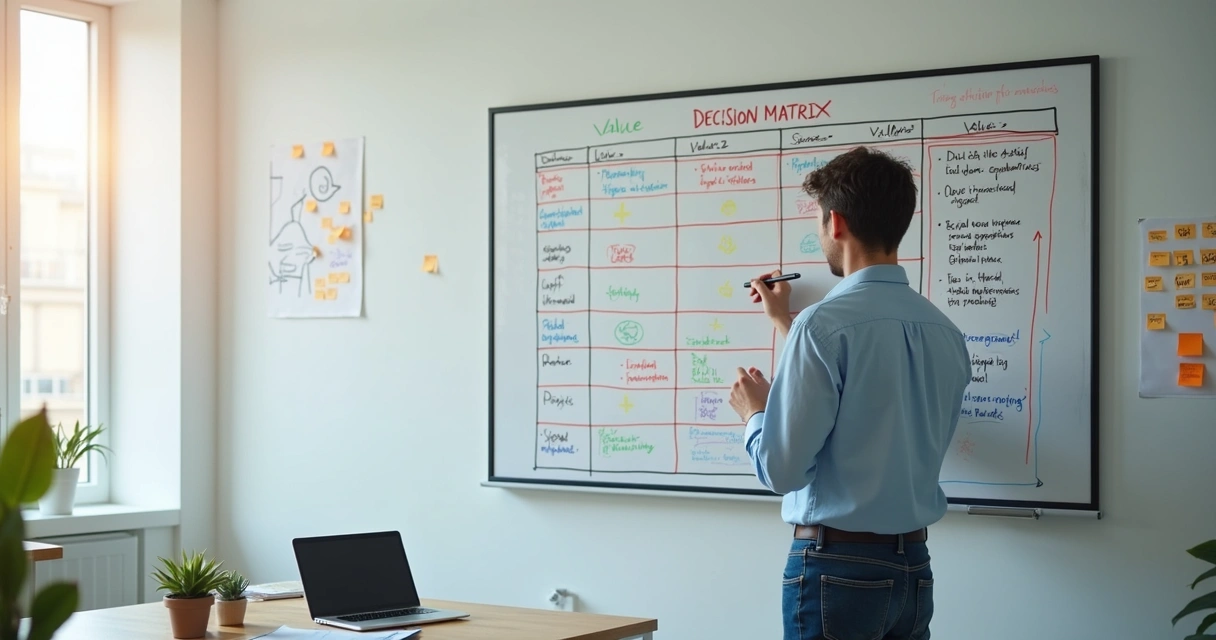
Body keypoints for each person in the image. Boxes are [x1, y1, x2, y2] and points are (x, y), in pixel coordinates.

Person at [728, 146, 971, 640]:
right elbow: (869, 392)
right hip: (913, 568)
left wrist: (757, 412)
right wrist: (785, 325)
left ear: (834, 223)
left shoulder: (822, 327)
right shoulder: (944, 330)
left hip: (836, 567)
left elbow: (781, 470)